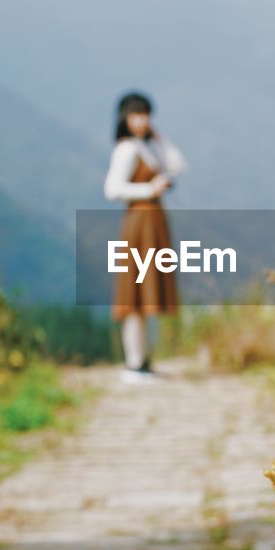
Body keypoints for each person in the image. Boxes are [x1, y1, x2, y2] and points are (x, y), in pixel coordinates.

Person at [103, 91, 185, 383]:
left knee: (145, 293)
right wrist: (149, 190)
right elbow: (112, 189)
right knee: (134, 295)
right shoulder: (126, 150)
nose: (142, 120)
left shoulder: (145, 146)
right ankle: (134, 363)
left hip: (152, 223)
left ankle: (142, 360)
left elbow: (177, 165)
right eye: (137, 115)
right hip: (138, 224)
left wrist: (159, 137)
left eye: (146, 115)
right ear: (125, 118)